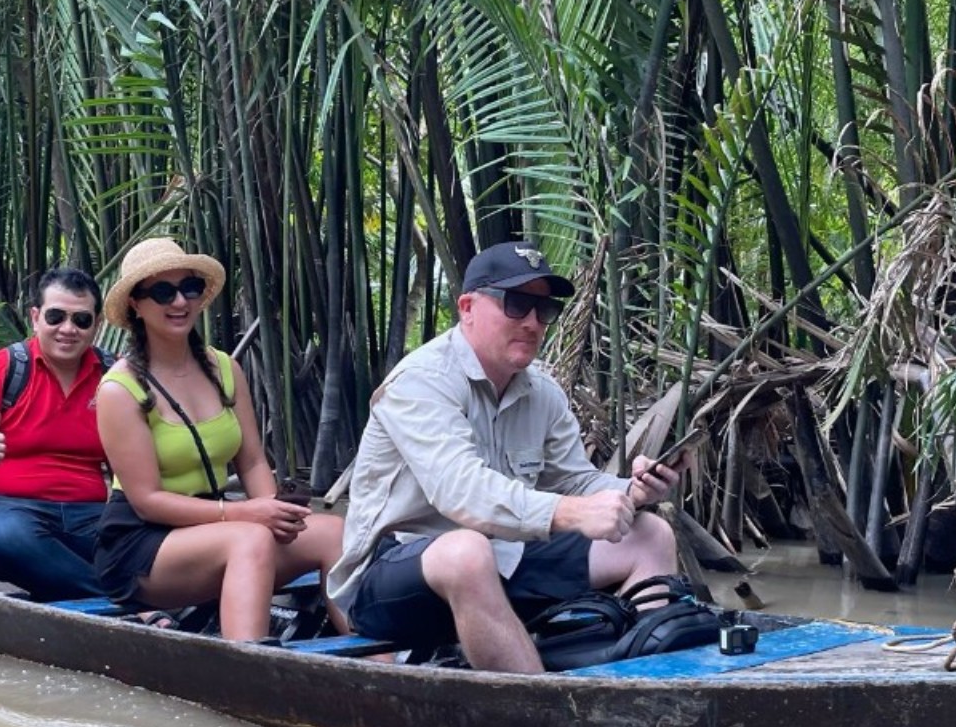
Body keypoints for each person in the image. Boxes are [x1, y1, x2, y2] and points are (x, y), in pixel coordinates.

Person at [327, 241, 684, 672]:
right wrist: (571, 513)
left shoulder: (543, 393)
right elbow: (463, 493)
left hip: (506, 560)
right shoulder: (420, 382)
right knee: (466, 551)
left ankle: (650, 683)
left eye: (543, 309)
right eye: (516, 304)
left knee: (650, 535)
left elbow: (575, 481)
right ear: (467, 307)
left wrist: (633, 489)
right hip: (391, 577)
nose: (533, 322)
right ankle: (538, 713)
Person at [93, 238, 346, 640]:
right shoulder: (119, 390)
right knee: (249, 539)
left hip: (223, 525)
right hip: (144, 544)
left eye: (189, 287)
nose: (180, 302)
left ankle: (377, 665)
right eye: (163, 292)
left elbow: (251, 461)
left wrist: (274, 513)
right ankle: (247, 676)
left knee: (334, 531)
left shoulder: (225, 367)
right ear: (135, 306)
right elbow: (147, 501)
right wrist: (249, 515)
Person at [0, 269, 109, 601]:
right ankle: (129, 601)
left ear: (96, 324)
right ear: (35, 317)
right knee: (11, 539)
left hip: (85, 515)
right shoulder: (6, 366)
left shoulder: (113, 378)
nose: (68, 329)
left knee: (143, 540)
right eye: (56, 316)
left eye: (81, 320)